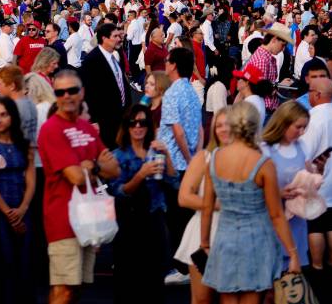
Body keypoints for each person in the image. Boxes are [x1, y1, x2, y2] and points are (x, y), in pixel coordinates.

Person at [200, 102, 301, 300]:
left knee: (227, 297)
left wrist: (204, 242)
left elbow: (207, 206)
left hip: (225, 238)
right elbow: (276, 215)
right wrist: (293, 252)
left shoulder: (215, 158)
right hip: (257, 241)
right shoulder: (263, 164)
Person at [38, 68, 119, 304]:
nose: (67, 96)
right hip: (62, 219)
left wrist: (88, 166)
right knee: (64, 288)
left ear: (81, 92)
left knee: (79, 287)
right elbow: (75, 176)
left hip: (88, 217)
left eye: (72, 90)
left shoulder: (85, 128)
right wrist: (95, 167)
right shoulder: (52, 128)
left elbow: (114, 169)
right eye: (60, 92)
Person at [108, 103, 178, 303]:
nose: (138, 127)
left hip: (154, 223)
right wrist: (140, 175)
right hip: (128, 225)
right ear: (126, 126)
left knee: (154, 285)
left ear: (150, 126)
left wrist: (168, 155)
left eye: (143, 122)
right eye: (133, 122)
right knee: (128, 285)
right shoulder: (118, 155)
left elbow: (173, 184)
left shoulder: (155, 152)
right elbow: (118, 192)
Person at [0, 97, 36, 304]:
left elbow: (31, 179)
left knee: (23, 266)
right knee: (1, 267)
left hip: (23, 211)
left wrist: (23, 208)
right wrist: (9, 213)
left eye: (3, 115)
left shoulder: (24, 144)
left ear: (12, 116)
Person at [175, 107, 232, 304]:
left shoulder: (248, 158)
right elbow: (184, 198)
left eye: (229, 125)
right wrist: (217, 205)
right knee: (202, 299)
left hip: (235, 234)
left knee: (230, 296)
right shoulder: (203, 158)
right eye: (219, 125)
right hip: (202, 233)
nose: (224, 130)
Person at [299, 76, 332, 288]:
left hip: (318, 179)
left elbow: (305, 153)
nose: (308, 95)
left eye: (310, 91)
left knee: (315, 226)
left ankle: (317, 267)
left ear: (317, 95)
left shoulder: (313, 118)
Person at [261, 101, 322, 274]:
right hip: (271, 222)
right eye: (298, 127)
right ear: (284, 122)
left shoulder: (301, 146)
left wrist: (312, 182)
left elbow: (310, 175)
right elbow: (253, 188)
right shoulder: (265, 149)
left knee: (292, 284)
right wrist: (278, 193)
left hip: (296, 221)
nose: (302, 132)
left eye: (305, 128)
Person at [78, 21, 133, 148]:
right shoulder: (92, 60)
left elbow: (121, 83)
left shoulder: (115, 55)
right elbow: (89, 92)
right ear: (104, 38)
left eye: (119, 36)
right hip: (104, 121)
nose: (119, 39)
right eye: (115, 36)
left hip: (120, 117)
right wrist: (93, 120)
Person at [161, 47, 203, 173]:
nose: (165, 63)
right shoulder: (192, 91)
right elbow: (200, 129)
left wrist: (189, 161)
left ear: (173, 66)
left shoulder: (172, 93)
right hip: (190, 158)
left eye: (166, 60)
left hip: (174, 163)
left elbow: (178, 132)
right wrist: (196, 157)